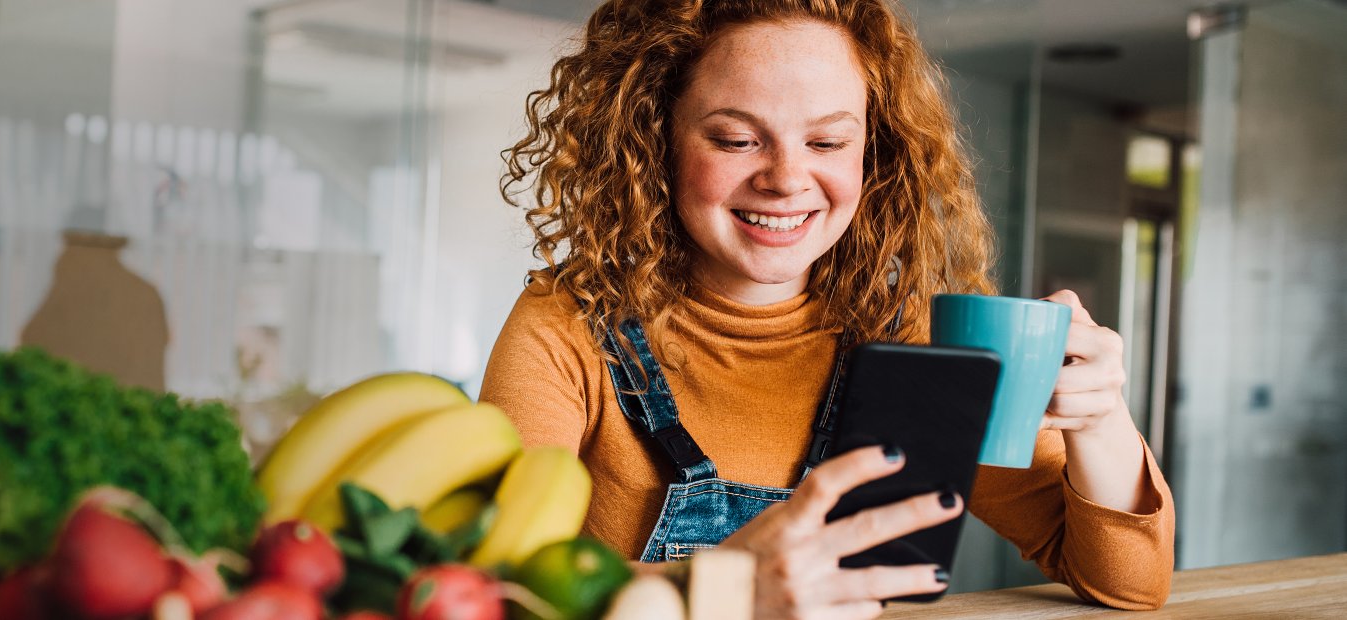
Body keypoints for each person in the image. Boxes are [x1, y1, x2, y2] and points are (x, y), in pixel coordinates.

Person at [479, 0, 1175, 617]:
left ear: (874, 154)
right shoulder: (565, 325)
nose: (785, 179)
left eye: (827, 142)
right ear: (653, 139)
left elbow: (1130, 584)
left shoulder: (918, 336)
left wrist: (1100, 417)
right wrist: (724, 591)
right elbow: (490, 592)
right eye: (735, 138)